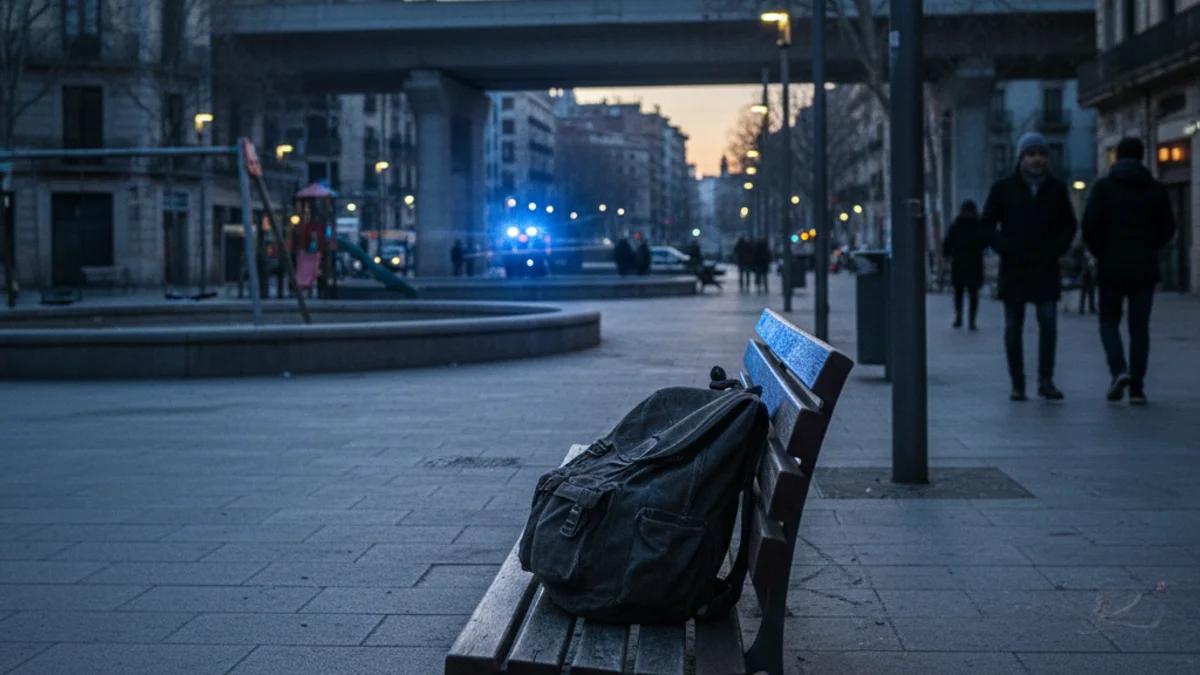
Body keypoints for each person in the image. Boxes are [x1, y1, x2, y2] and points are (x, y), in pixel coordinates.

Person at [981, 132, 1078, 401]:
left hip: (1046, 267)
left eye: (1041, 154)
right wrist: (1006, 248)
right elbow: (987, 225)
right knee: (1014, 327)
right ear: (1021, 157)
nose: (1037, 159)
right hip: (1015, 269)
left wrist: (1057, 248)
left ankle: (1046, 380)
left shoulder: (1056, 189)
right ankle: (1018, 383)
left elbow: (1069, 224)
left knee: (1048, 325)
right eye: (1031, 154)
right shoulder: (1003, 188)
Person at [1081, 136, 1177, 405]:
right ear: (1142, 157)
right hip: (1144, 268)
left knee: (1108, 322)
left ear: (1117, 157)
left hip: (1111, 267)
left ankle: (1118, 370)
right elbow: (1168, 228)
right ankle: (1137, 388)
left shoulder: (1103, 188)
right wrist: (1150, 248)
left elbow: (1088, 226)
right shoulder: (1156, 190)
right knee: (1139, 329)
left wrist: (1102, 251)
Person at [942, 199, 986, 330]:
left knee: (958, 293)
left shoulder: (956, 226)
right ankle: (972, 321)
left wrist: (947, 256)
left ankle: (959, 317)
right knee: (973, 294)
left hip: (959, 263)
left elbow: (947, 243)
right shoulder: (979, 226)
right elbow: (985, 242)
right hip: (974, 263)